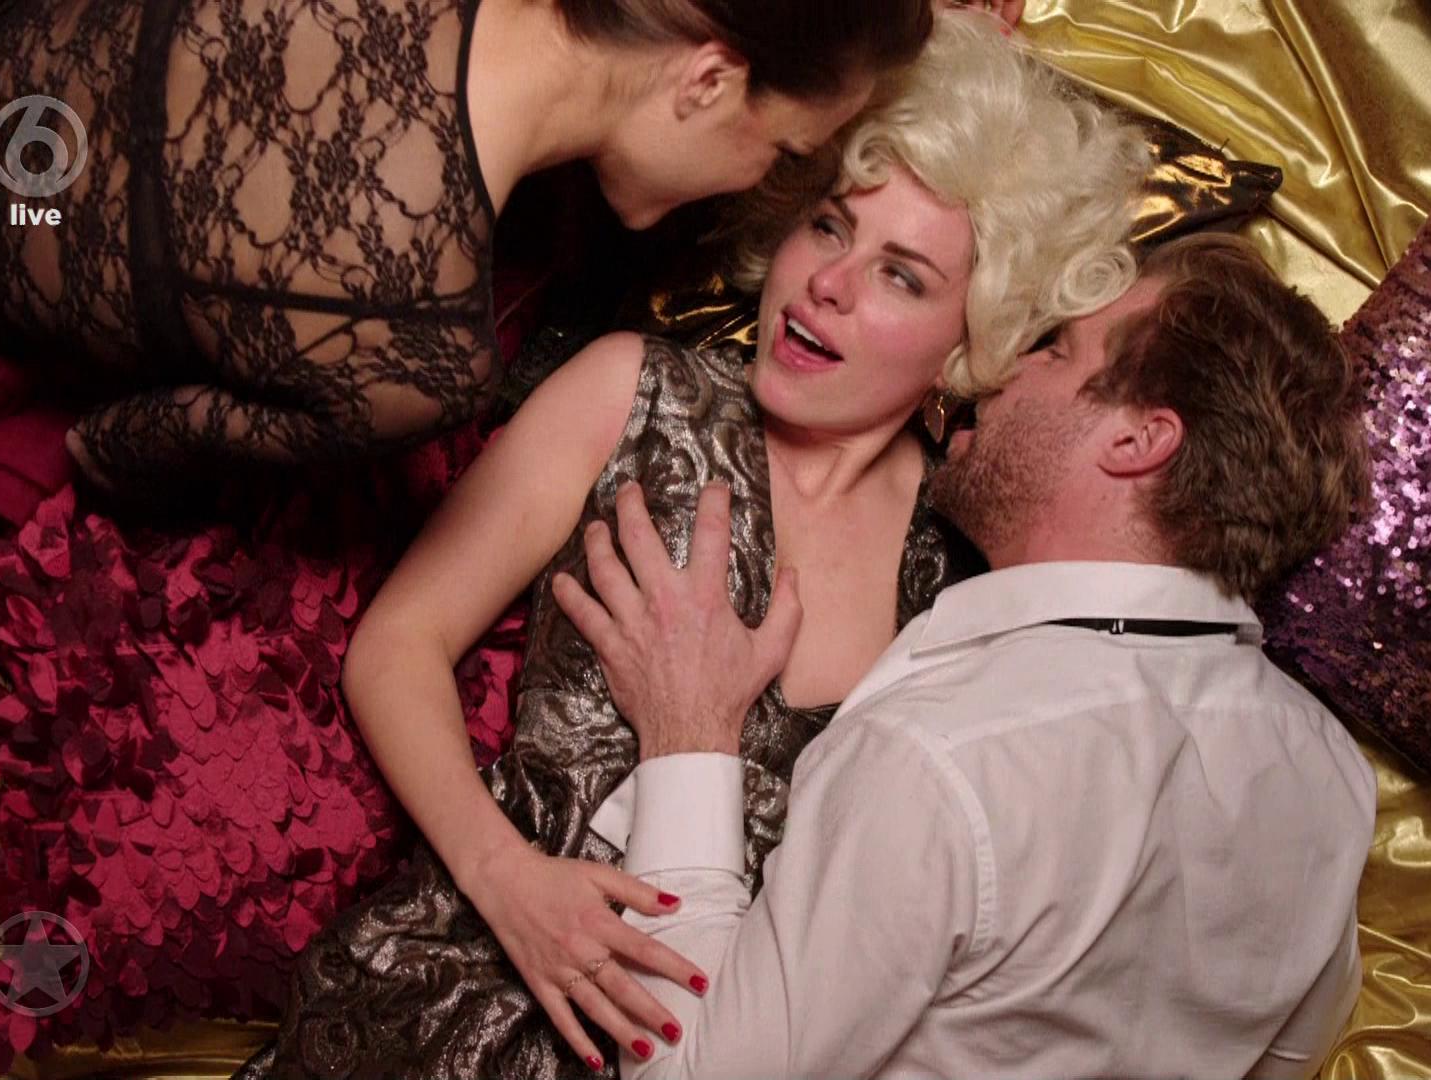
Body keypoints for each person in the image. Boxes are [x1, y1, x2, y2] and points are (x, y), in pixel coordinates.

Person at [238, 14, 1149, 1079]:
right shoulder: (632, 391)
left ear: (973, 336)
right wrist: (507, 880)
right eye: (829, 226)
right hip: (443, 1000)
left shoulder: (956, 581)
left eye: (902, 275)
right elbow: (397, 644)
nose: (830, 282)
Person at [557, 233, 1379, 1078]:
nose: (1001, 367)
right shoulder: (1330, 779)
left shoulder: (947, 754)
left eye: (1055, 348)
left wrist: (688, 733)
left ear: (1139, 441)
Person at [0, 0, 933, 561]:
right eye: (784, 154)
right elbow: (108, 446)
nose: (761, 188)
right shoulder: (420, 351)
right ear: (706, 81)